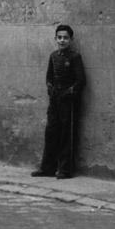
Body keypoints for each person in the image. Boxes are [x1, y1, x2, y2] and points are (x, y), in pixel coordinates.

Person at [31, 24, 86, 179]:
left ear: (71, 39)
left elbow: (81, 80)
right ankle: (47, 168)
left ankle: (65, 170)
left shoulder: (75, 57)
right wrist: (51, 90)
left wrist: (69, 92)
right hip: (55, 100)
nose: (62, 40)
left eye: (65, 37)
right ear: (55, 38)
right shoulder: (54, 56)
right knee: (51, 133)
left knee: (66, 135)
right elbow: (49, 77)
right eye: (59, 37)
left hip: (69, 102)